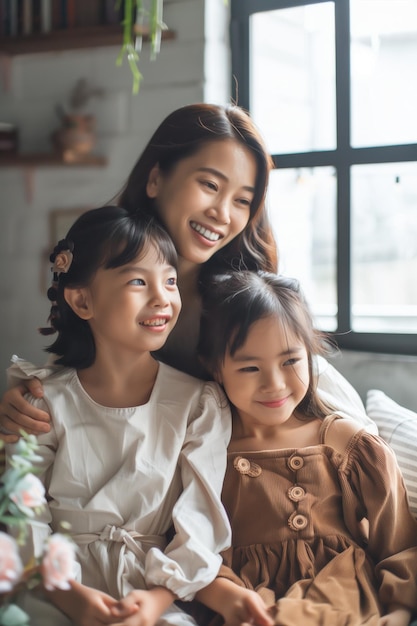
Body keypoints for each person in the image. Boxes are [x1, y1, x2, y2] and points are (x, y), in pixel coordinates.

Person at [0, 102, 373, 442]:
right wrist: (26, 404)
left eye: (242, 201)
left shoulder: (244, 303)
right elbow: (73, 375)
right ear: (155, 179)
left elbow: (340, 413)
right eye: (210, 185)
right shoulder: (103, 277)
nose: (223, 214)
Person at [6, 205, 232, 626]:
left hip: (152, 593)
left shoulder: (197, 405)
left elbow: (200, 522)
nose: (162, 296)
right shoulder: (44, 399)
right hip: (56, 588)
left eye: (169, 280)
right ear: (82, 300)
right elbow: (23, 517)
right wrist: (73, 598)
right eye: (137, 281)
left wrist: (157, 601)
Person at [194, 271, 417, 626]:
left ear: (310, 356)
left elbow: (398, 541)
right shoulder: (205, 453)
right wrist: (224, 593)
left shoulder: (346, 443)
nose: (275, 384)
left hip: (341, 597)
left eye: (291, 361)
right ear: (216, 369)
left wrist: (401, 609)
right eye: (250, 367)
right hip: (249, 602)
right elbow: (192, 547)